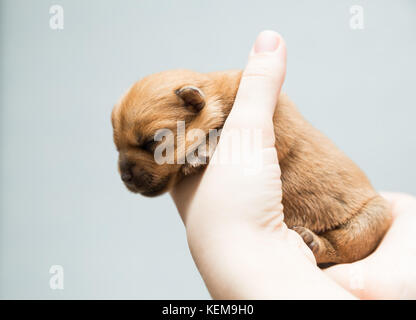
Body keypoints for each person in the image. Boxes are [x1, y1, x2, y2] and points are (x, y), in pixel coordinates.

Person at [170, 30, 416, 299]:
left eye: (152, 142)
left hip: (352, 213)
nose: (127, 172)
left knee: (374, 216)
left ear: (193, 102)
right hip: (313, 259)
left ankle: (328, 247)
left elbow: (281, 144)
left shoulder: (255, 104)